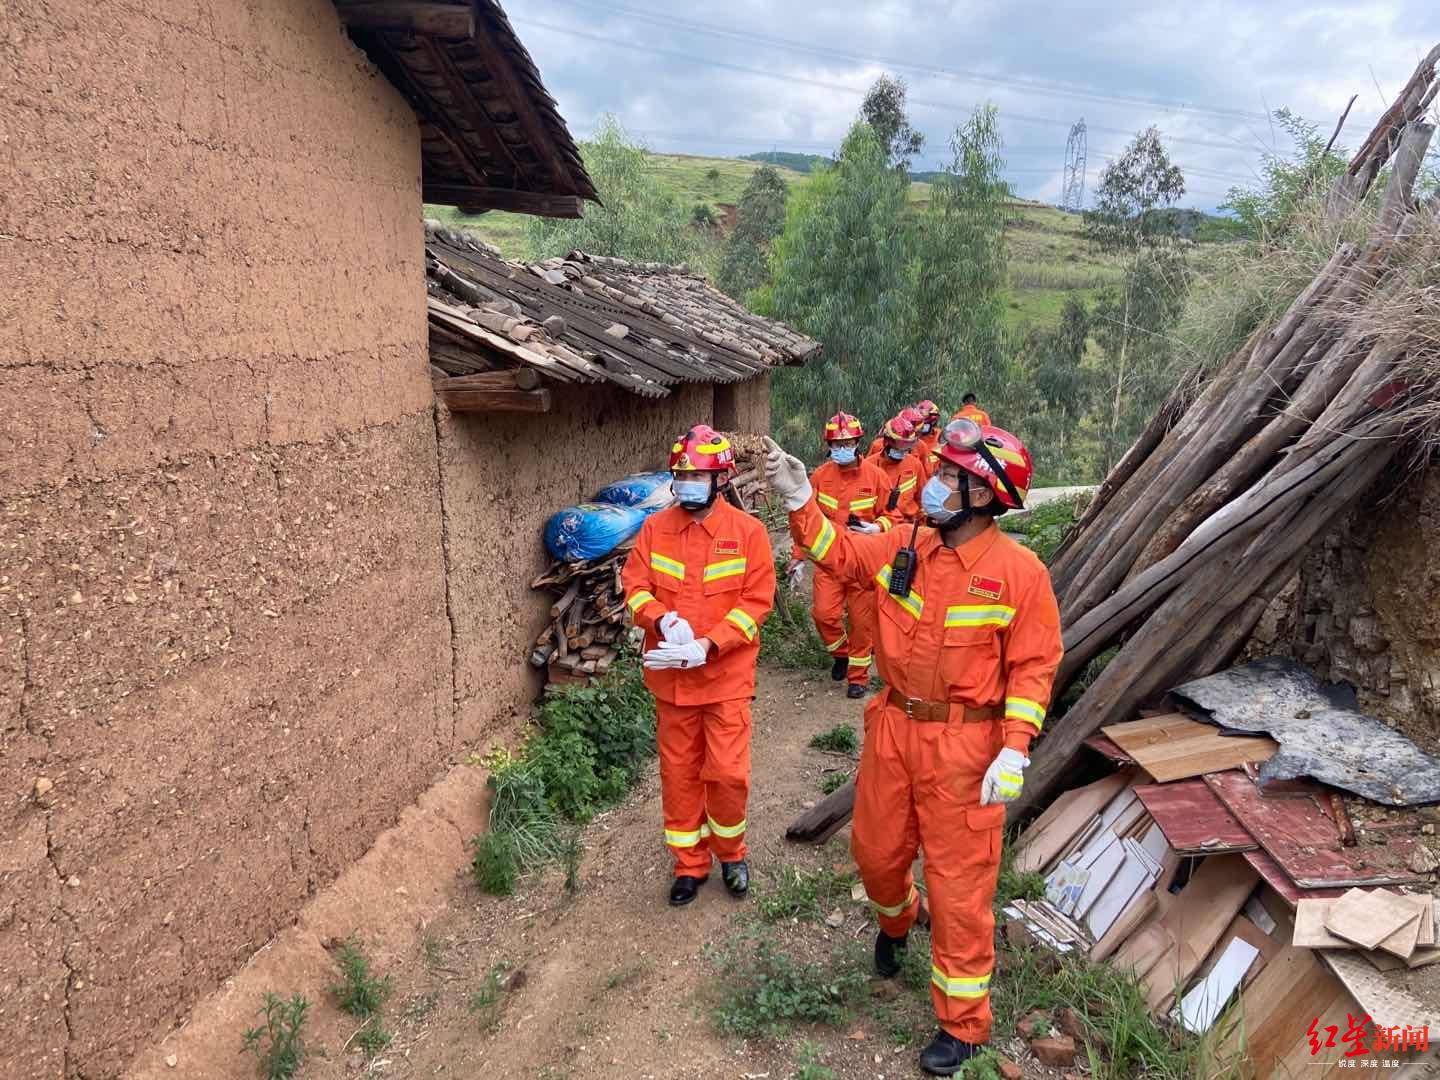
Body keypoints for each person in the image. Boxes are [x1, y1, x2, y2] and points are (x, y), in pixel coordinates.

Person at [764, 418, 1062, 1076]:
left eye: (951, 477)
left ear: (982, 496)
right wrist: (797, 499)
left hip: (967, 748)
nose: (935, 483)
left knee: (960, 891)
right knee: (875, 854)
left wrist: (1014, 749)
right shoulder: (906, 548)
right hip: (893, 731)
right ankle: (897, 921)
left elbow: (1035, 668)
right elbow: (837, 555)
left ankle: (963, 1025)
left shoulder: (1020, 575)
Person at [621, 425, 776, 907]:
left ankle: (731, 855)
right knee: (679, 774)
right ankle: (689, 863)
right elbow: (634, 587)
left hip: (725, 679)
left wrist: (709, 644)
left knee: (728, 774)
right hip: (672, 683)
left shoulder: (748, 534)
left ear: (721, 479)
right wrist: (659, 617)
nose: (686, 483)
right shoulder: (655, 528)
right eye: (681, 475)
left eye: (696, 475)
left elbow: (756, 604)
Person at [787, 412, 895, 700]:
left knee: (862, 624)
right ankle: (841, 654)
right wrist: (798, 557)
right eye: (835, 443)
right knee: (823, 614)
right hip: (829, 561)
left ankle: (857, 678)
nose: (840, 448)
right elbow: (806, 520)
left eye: (846, 442)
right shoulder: (820, 476)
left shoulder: (877, 478)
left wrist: (878, 527)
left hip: (864, 563)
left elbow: (893, 516)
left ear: (858, 442)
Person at [866, 411, 926, 523]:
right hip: (878, 527)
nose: (903, 451)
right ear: (887, 442)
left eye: (908, 446)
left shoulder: (915, 465)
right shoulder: (869, 465)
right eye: (900, 445)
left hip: (907, 525)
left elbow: (922, 498)